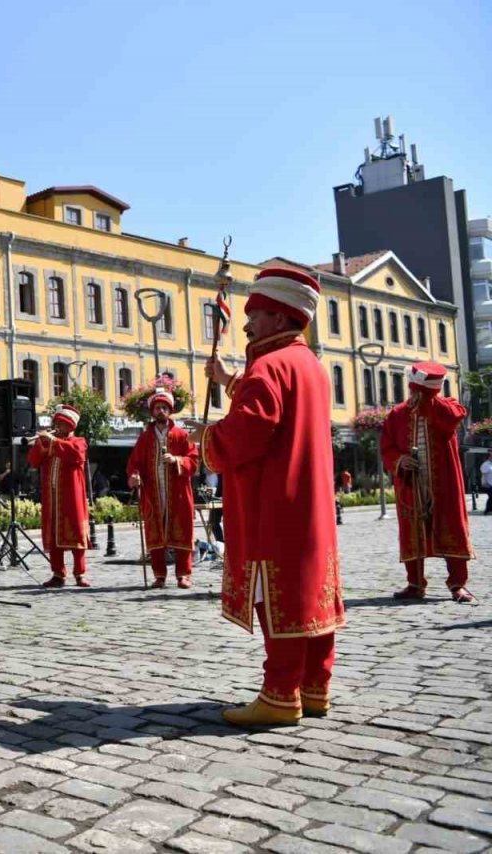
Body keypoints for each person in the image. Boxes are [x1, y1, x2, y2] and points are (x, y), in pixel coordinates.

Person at [198, 266, 344, 726]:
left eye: (257, 314)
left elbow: (250, 431)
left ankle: (280, 693)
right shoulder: (309, 366)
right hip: (310, 505)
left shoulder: (268, 366)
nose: (247, 324)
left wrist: (208, 439)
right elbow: (274, 401)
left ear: (280, 319)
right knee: (312, 593)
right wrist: (228, 382)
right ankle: (314, 687)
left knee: (277, 595)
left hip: (274, 506)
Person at [381, 362, 476, 603]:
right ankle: (415, 583)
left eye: (418, 392)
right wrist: (400, 460)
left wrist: (428, 400)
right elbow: (387, 446)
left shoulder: (447, 407)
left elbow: (450, 419)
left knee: (450, 526)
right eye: (413, 392)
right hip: (411, 485)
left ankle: (458, 584)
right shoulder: (398, 414)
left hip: (443, 484)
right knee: (412, 530)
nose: (413, 397)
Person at [127, 387, 199, 589]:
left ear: (170, 411)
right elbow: (135, 463)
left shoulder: (183, 435)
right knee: (155, 534)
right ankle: (159, 575)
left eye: (164, 408)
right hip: (153, 494)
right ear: (152, 411)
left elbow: (193, 462)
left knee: (182, 532)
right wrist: (135, 475)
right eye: (157, 408)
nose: (161, 411)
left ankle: (183, 575)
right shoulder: (145, 438)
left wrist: (177, 460)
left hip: (178, 493)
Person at [29, 405, 91, 588]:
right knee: (53, 535)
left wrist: (54, 442)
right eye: (55, 423)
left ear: (70, 426)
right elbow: (33, 462)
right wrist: (40, 444)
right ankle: (57, 573)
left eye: (61, 424)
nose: (57, 426)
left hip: (72, 498)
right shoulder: (50, 442)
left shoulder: (78, 441)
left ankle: (80, 574)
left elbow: (75, 455)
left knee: (76, 534)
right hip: (52, 498)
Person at [480, 450, 492, 515]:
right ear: (489, 457)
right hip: (488, 484)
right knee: (491, 497)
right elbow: (484, 475)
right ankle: (487, 510)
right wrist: (484, 483)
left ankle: (489, 509)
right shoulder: (485, 465)